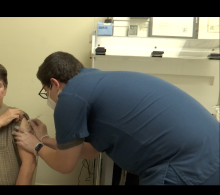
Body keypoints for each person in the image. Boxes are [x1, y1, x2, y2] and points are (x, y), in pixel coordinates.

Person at [13, 51, 219, 185]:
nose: (49, 98)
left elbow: (65, 165)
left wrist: (36, 147)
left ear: (54, 83)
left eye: (45, 92)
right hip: (210, 154)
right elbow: (91, 151)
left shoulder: (71, 96)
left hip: (184, 168)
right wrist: (45, 139)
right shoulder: (96, 81)